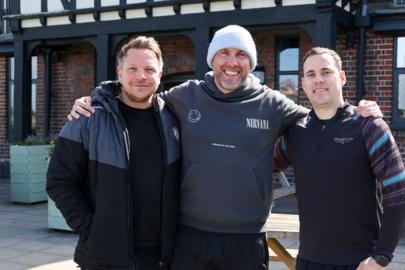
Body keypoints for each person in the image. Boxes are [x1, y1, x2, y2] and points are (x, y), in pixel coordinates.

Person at [68, 25, 383, 270]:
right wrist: (99, 97)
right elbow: (139, 95)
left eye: (241, 55)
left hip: (246, 239)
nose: (232, 62)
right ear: (212, 59)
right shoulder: (183, 96)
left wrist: (357, 110)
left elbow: (320, 117)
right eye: (225, 53)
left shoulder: (272, 103)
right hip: (189, 233)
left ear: (251, 63)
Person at [46, 36, 181, 270]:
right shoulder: (87, 119)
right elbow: (59, 180)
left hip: (163, 257)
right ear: (119, 73)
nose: (141, 76)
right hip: (106, 257)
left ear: (160, 75)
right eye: (133, 69)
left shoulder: (174, 119)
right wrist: (92, 229)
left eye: (149, 69)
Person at [274, 47, 405, 270]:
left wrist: (382, 256)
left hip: (357, 262)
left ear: (342, 77)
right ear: (303, 84)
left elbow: (399, 192)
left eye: (326, 72)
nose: (318, 80)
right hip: (307, 260)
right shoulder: (295, 133)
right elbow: (262, 167)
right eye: (311, 75)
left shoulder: (369, 127)